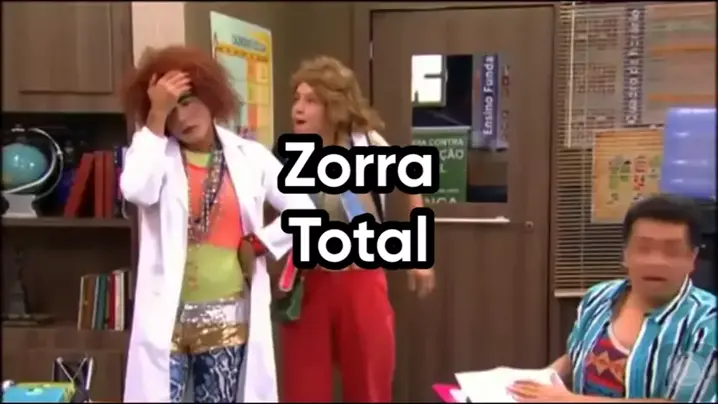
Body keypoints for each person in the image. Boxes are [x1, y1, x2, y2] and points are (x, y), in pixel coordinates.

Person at [119, 45, 315, 403]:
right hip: (166, 321)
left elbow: (304, 210)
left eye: (187, 102)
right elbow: (136, 189)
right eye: (169, 110)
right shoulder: (153, 153)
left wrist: (259, 243)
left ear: (210, 97)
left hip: (227, 318)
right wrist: (155, 117)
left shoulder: (250, 157)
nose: (181, 118)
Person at [278, 56, 437, 403]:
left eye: (311, 100)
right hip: (309, 282)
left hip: (361, 279)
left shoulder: (366, 144)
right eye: (296, 98)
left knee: (369, 386)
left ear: (334, 105)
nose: (298, 108)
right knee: (304, 389)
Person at [509, 194, 716, 402]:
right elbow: (574, 356)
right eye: (643, 248)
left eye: (671, 251)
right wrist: (539, 380)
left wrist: (567, 400)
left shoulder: (707, 321)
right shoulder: (599, 296)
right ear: (625, 254)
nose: (655, 261)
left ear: (692, 258)